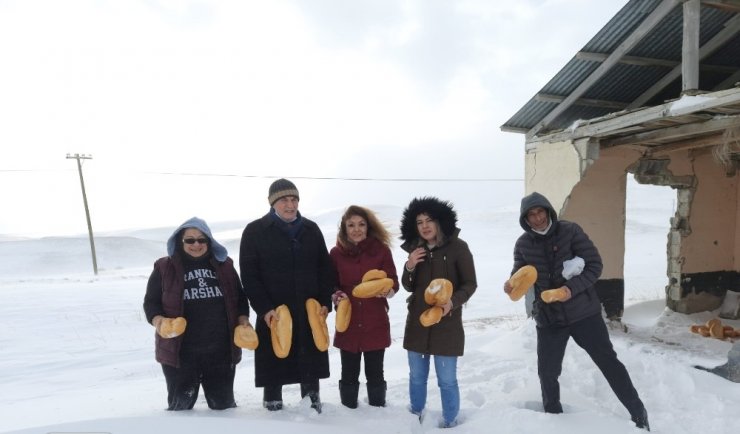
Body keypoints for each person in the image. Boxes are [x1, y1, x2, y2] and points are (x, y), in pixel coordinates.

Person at [503, 192, 650, 431]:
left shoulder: (570, 231)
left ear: (548, 211)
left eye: (540, 212)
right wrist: (511, 284)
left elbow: (595, 265)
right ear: (525, 219)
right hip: (549, 317)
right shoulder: (523, 244)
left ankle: (638, 413)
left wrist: (570, 289)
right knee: (547, 373)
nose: (537, 218)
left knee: (608, 363)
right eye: (531, 215)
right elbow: (520, 273)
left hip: (584, 313)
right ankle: (554, 419)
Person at [239, 178, 335, 413]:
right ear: (273, 203)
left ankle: (312, 401)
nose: (290, 205)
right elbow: (250, 276)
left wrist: (324, 303)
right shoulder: (255, 231)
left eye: (294, 199)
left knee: (309, 356)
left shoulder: (311, 229)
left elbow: (325, 269)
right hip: (274, 310)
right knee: (274, 357)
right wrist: (264, 308)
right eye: (284, 200)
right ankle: (272, 403)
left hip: (307, 307)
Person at [143, 216, 252, 411]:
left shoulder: (225, 266)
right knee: (181, 409)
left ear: (209, 241)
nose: (196, 244)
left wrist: (244, 321)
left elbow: (240, 299)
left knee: (224, 408)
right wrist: (160, 322)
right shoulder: (164, 268)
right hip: (181, 352)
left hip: (220, 351)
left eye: (202, 239)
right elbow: (151, 303)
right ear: (180, 241)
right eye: (190, 240)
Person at [400, 197, 477, 428]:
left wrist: (451, 303)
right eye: (419, 221)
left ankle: (451, 421)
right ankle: (416, 416)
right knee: (416, 377)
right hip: (417, 323)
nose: (424, 226)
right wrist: (410, 265)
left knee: (447, 380)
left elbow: (470, 284)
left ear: (440, 221)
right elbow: (408, 285)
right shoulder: (416, 249)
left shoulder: (458, 248)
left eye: (429, 220)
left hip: (447, 324)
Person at [330, 205, 399, 409]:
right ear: (344, 228)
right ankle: (348, 410)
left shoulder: (381, 251)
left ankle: (378, 409)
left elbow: (393, 281)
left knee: (375, 371)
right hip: (348, 320)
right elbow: (330, 283)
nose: (356, 229)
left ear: (368, 227)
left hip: (374, 319)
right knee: (348, 371)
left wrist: (389, 290)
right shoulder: (335, 253)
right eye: (351, 225)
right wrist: (337, 295)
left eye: (361, 224)